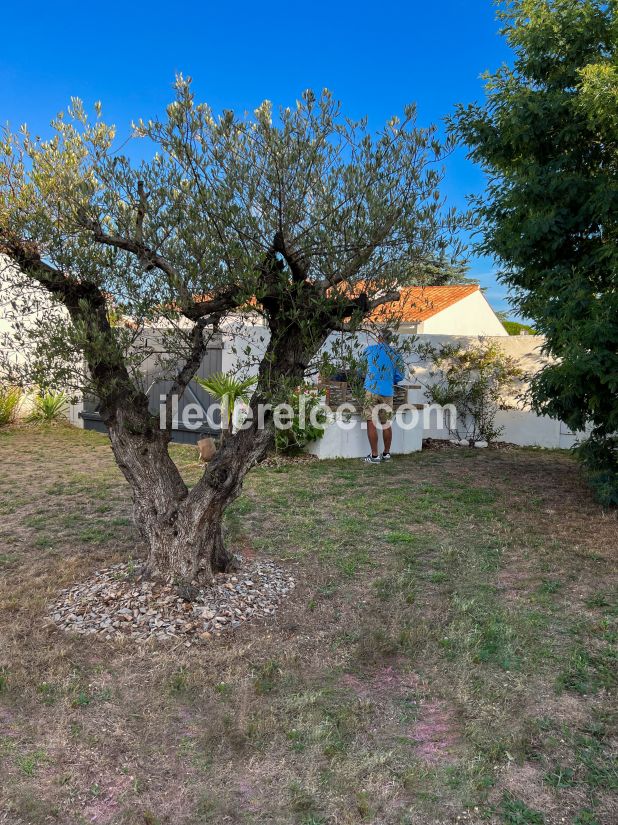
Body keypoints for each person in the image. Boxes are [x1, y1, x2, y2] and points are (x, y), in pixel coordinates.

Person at [362, 331, 405, 464]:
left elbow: (360, 370)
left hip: (371, 388)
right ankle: (386, 453)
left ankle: (374, 456)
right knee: (386, 423)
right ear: (390, 340)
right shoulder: (395, 354)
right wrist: (389, 379)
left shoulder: (369, 350)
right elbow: (400, 376)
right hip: (388, 391)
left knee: (371, 421)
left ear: (379, 338)